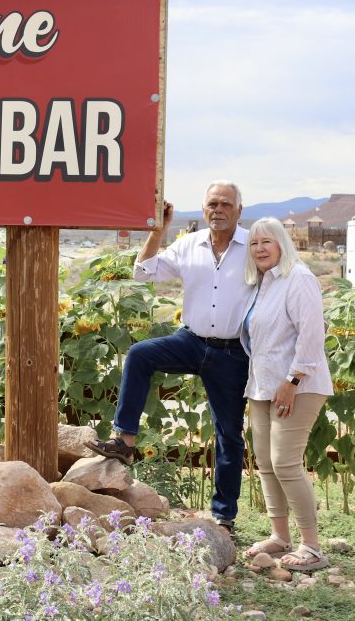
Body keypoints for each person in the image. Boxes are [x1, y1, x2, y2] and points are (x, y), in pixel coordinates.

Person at [86, 181, 256, 533]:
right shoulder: (189, 244)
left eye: (226, 203)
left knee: (229, 435)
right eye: (212, 203)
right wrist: (158, 232)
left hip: (232, 353)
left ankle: (224, 516)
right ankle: (125, 441)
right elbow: (143, 272)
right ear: (204, 208)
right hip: (191, 340)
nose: (218, 209)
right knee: (140, 354)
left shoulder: (253, 247)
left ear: (239, 209)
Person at [240, 217, 331, 570]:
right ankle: (280, 537)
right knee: (265, 463)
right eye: (254, 244)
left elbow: (311, 336)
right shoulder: (263, 283)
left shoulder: (299, 279)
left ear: (282, 244)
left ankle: (312, 547)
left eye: (267, 242)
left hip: (299, 386)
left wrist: (292, 381)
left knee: (286, 463)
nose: (260, 249)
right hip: (262, 387)